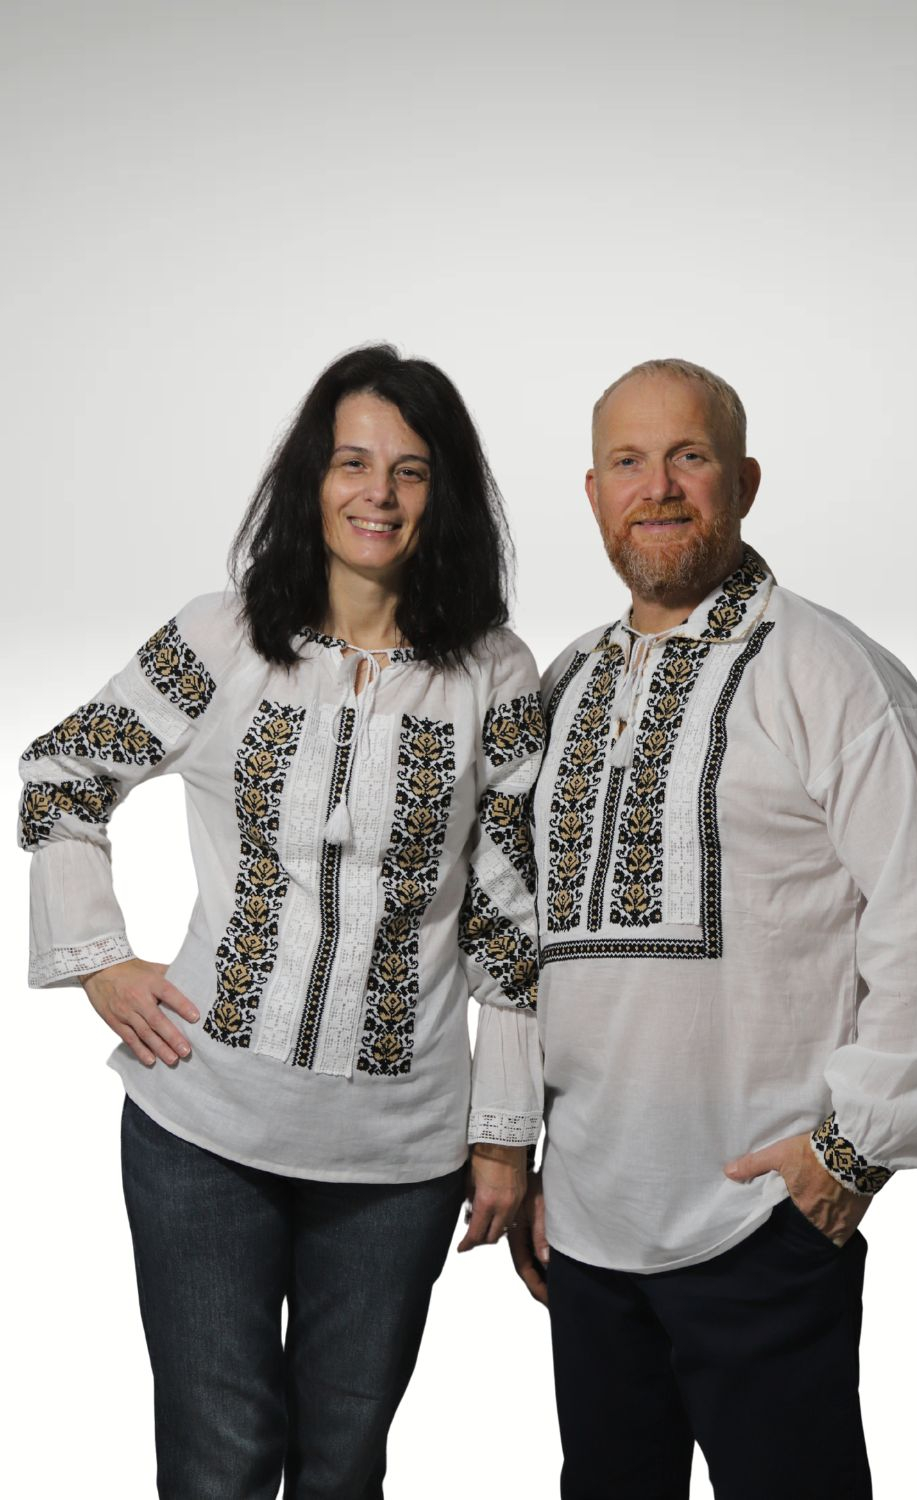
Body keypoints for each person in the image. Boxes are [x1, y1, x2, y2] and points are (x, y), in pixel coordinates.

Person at [19, 343, 544, 1500]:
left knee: (342, 1470)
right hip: (202, 1131)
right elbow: (63, 773)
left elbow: (512, 920)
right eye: (353, 462)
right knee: (218, 1467)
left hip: (398, 1158)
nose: (378, 493)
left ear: (444, 493)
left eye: (410, 470)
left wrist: (505, 1134)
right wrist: (98, 960)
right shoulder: (223, 638)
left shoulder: (494, 674)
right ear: (312, 477)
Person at [509, 357, 917, 1499]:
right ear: (593, 493)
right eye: (628, 462)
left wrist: (851, 1154)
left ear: (744, 481)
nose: (658, 487)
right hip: (585, 1229)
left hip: (763, 1220)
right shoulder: (563, 687)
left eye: (689, 456)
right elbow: (523, 947)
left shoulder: (833, 675)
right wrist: (521, 1153)